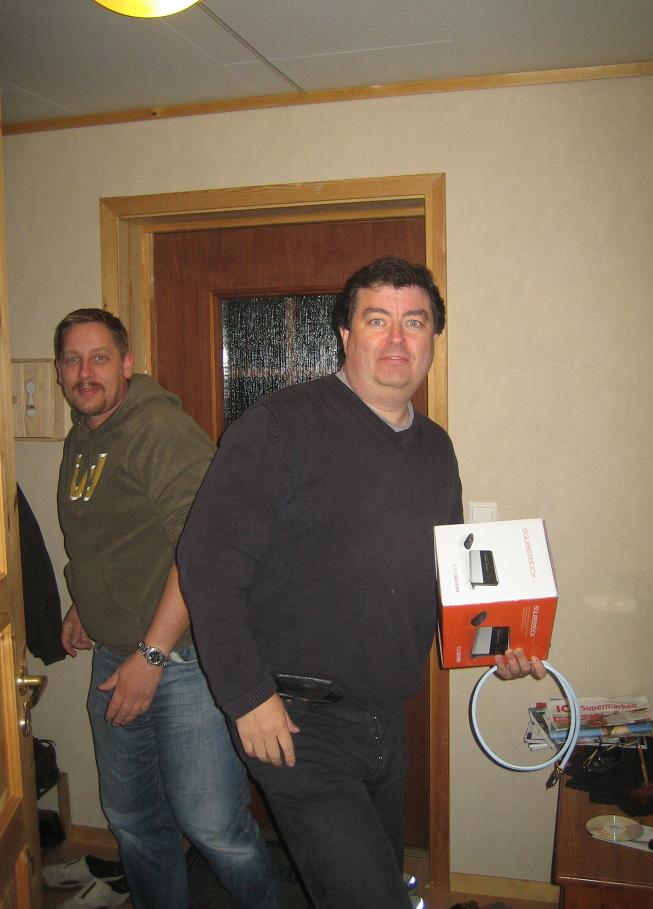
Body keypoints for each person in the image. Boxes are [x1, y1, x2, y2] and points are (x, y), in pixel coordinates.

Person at [177, 257, 545, 909]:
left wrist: (497, 642)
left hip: (383, 718)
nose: (397, 338)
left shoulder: (436, 449)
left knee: (378, 877)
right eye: (378, 320)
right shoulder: (279, 427)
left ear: (433, 338)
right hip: (295, 718)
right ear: (345, 334)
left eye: (415, 322)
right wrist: (246, 696)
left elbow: (446, 574)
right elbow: (206, 562)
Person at [54, 309, 279, 909]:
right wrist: (85, 601)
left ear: (127, 364)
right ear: (59, 370)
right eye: (72, 360)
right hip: (114, 657)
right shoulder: (83, 437)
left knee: (214, 828)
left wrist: (151, 655)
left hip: (178, 663)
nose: (85, 373)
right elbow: (110, 538)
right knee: (133, 822)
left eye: (99, 358)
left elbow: (202, 549)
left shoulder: (159, 430)